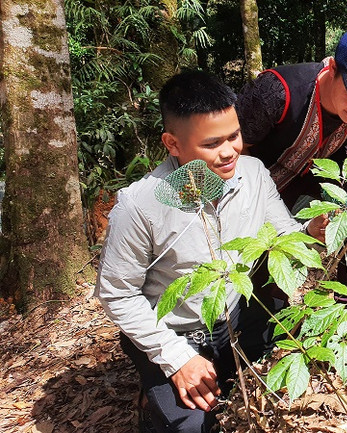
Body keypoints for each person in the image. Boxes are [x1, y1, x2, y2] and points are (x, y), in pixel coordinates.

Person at [96, 70, 325, 433]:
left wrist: (311, 231)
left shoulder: (253, 173)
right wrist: (176, 358)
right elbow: (117, 292)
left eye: (234, 136)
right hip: (176, 331)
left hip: (236, 315)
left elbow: (284, 235)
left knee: (276, 391)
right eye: (211, 144)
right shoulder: (140, 204)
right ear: (172, 144)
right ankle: (153, 402)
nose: (228, 152)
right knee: (193, 426)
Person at [236, 27, 347, 283]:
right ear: (332, 68)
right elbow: (235, 148)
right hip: (264, 169)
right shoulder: (277, 91)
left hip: (326, 166)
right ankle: (267, 304)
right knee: (270, 244)